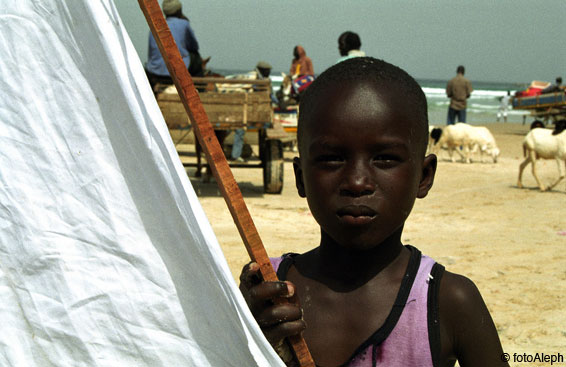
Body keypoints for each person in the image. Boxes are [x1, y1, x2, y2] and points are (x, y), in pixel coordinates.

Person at [240, 57, 508, 367]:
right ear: (301, 178)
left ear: (423, 177)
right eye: (331, 159)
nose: (357, 182)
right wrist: (247, 336)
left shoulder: (449, 302)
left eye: (384, 159)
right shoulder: (267, 293)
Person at [145, 0, 202, 91]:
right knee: (196, 58)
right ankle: (201, 89)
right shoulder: (184, 23)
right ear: (179, 11)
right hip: (176, 69)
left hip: (154, 70)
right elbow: (194, 46)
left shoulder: (154, 25)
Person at [231, 61, 273, 162]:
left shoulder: (259, 77)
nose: (269, 72)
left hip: (247, 107)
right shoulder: (255, 78)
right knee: (240, 130)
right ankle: (235, 155)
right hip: (246, 109)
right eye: (267, 71)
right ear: (262, 70)